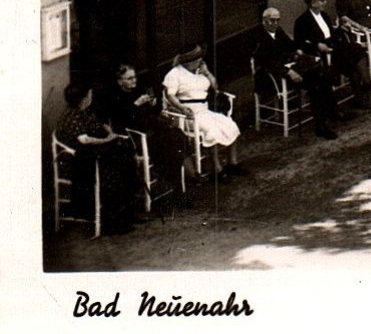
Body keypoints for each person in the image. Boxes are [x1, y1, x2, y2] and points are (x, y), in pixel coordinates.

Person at [55, 83, 141, 234]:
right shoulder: (72, 115)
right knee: (113, 169)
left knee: (124, 156)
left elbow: (99, 125)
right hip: (77, 158)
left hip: (92, 152)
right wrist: (108, 140)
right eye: (89, 94)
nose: (91, 97)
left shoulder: (85, 112)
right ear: (83, 98)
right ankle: (110, 220)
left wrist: (109, 133)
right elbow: (84, 140)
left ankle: (125, 213)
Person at [103, 63, 188, 208]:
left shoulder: (138, 91)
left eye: (134, 77)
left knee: (177, 136)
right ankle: (176, 188)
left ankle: (177, 185)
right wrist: (136, 105)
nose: (133, 81)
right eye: (129, 79)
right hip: (135, 139)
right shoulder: (115, 97)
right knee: (169, 144)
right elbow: (121, 122)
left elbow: (151, 115)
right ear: (119, 81)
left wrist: (153, 104)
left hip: (150, 132)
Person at [249, 6, 341, 140]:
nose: (275, 23)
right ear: (264, 20)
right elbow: (265, 62)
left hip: (287, 69)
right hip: (271, 77)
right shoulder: (258, 36)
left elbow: (290, 45)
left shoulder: (278, 31)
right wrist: (288, 72)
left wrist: (298, 50)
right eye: (272, 20)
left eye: (277, 20)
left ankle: (330, 114)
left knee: (319, 77)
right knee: (316, 83)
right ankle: (322, 124)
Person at [161, 44, 244, 180]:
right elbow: (170, 96)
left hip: (204, 111)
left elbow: (215, 87)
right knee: (212, 131)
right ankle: (217, 169)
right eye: (198, 60)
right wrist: (182, 108)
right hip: (188, 115)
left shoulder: (200, 70)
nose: (201, 62)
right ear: (188, 62)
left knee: (231, 124)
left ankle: (232, 163)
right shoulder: (175, 74)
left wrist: (207, 73)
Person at [296, 0, 371, 107]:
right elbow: (300, 42)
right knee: (353, 57)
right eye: (322, 0)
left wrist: (340, 28)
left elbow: (331, 34)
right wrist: (317, 44)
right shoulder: (302, 21)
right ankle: (365, 86)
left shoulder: (324, 15)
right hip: (324, 55)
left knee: (356, 49)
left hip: (335, 49)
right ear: (313, 3)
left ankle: (365, 85)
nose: (325, 2)